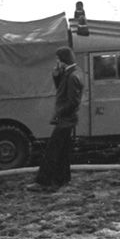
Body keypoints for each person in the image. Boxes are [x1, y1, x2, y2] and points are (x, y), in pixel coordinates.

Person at [28, 46, 84, 192]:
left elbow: (73, 102)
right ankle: (62, 179)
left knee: (52, 151)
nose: (57, 62)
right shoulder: (71, 73)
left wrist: (60, 113)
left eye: (58, 59)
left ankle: (43, 182)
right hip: (67, 119)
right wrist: (56, 75)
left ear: (62, 60)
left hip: (66, 119)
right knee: (62, 151)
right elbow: (61, 89)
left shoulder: (72, 76)